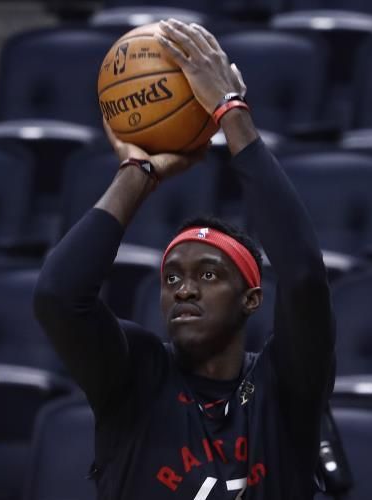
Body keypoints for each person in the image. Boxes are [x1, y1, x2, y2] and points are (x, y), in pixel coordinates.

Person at [33, 18, 336, 500]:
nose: (184, 288)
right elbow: (58, 296)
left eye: (208, 274)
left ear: (252, 299)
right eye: (171, 277)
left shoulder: (284, 384)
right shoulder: (137, 375)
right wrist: (137, 172)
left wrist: (231, 114)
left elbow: (302, 278)